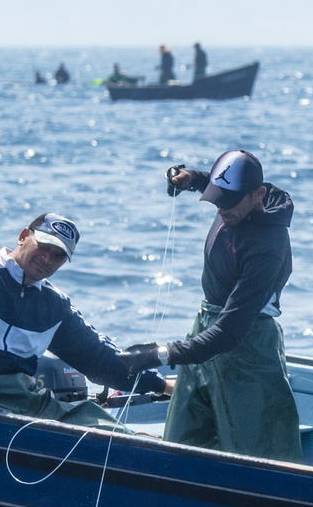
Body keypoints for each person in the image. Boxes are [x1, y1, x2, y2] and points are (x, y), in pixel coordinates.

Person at [0, 167, 168, 428]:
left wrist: (162, 385)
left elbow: (101, 359)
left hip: (26, 401)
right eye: (44, 247)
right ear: (23, 237)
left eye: (58, 256)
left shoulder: (54, 307)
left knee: (113, 433)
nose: (47, 259)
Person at [119, 151, 302, 462]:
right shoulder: (236, 198)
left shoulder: (268, 248)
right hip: (205, 326)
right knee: (181, 438)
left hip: (248, 345)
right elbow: (218, 184)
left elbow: (229, 332)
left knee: (257, 455)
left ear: (257, 195)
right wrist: (193, 178)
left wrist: (160, 354)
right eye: (216, 198)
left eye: (227, 202)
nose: (221, 208)